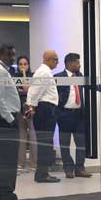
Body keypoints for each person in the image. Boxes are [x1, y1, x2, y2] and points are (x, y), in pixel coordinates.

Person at [0, 44, 28, 200]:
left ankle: (0, 194)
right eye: (10, 55)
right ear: (1, 55)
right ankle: (5, 194)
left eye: (13, 55)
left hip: (3, 116)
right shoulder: (0, 71)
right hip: (4, 118)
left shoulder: (1, 70)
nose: (13, 58)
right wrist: (10, 119)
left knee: (3, 158)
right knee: (7, 158)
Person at [26, 50, 61, 183]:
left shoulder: (43, 71)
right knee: (45, 143)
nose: (57, 62)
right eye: (55, 59)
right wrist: (31, 107)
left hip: (45, 109)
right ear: (48, 59)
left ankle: (43, 173)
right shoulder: (44, 72)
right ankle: (42, 174)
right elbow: (35, 92)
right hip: (45, 109)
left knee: (45, 142)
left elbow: (33, 91)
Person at [55, 52, 91, 179]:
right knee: (65, 144)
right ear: (70, 63)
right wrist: (58, 113)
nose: (79, 65)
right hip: (64, 114)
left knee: (81, 143)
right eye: (77, 62)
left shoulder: (80, 76)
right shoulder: (58, 77)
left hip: (79, 115)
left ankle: (80, 168)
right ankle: (68, 168)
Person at [14, 55, 37, 171]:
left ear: (28, 65)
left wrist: (24, 75)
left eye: (25, 64)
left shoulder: (33, 76)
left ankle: (33, 163)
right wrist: (23, 91)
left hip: (30, 108)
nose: (23, 66)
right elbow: (16, 92)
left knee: (33, 136)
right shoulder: (15, 77)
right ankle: (20, 162)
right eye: (20, 64)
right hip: (19, 108)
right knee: (21, 136)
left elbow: (26, 89)